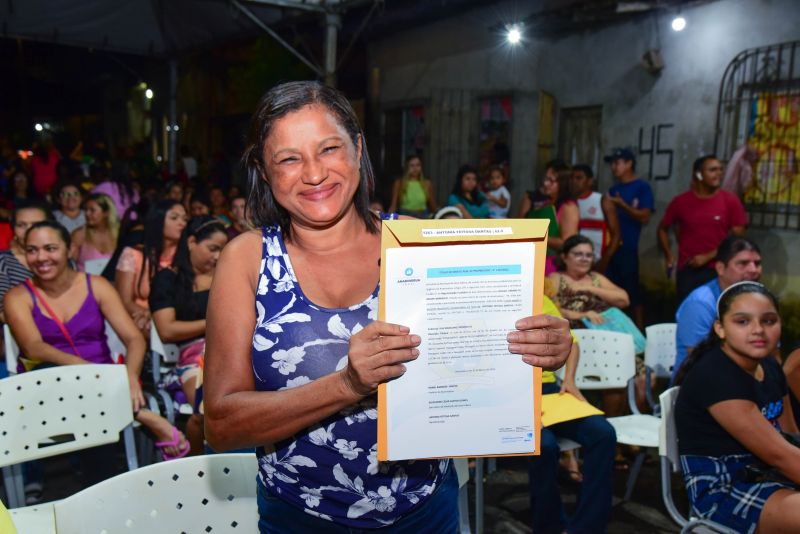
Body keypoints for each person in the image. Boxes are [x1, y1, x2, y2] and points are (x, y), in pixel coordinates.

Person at [203, 81, 572, 533]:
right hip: (299, 515)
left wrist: (540, 345)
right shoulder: (248, 258)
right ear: (264, 169)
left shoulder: (418, 242)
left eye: (329, 149)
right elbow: (220, 424)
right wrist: (348, 384)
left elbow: (482, 346)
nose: (314, 173)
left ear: (357, 148)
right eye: (289, 158)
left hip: (423, 511)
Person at [4, 221, 189, 460]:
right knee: (51, 371)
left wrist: (129, 378)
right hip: (50, 386)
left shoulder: (96, 285)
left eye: (50, 248)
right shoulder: (18, 296)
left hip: (106, 385)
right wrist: (94, 374)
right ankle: (143, 416)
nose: (41, 257)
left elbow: (134, 338)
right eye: (32, 250)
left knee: (99, 450)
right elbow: (34, 347)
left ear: (69, 249)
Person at [674, 282, 800, 533]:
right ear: (720, 328)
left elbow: (791, 435)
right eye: (742, 322)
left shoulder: (769, 365)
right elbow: (781, 456)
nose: (758, 330)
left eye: (769, 321)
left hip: (768, 472)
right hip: (724, 490)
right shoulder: (716, 376)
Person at [528, 288, 616, 534]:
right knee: (542, 446)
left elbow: (572, 343)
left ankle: (588, 527)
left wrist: (570, 380)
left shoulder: (539, 299)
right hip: (514, 395)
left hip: (550, 389)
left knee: (603, 433)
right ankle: (549, 526)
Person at [549, 235, 644, 417]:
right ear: (564, 257)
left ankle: (617, 424)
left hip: (607, 342)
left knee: (640, 376)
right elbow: (552, 309)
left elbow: (624, 299)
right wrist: (582, 314)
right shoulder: (555, 278)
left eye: (589, 255)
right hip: (577, 343)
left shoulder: (595, 278)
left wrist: (590, 289)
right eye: (578, 254)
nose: (584, 259)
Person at [150, 216, 228, 409]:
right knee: (207, 409)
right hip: (194, 356)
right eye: (213, 249)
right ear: (192, 242)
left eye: (222, 250)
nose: (218, 256)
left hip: (231, 345)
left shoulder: (225, 275)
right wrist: (215, 322)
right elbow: (167, 330)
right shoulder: (168, 279)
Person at [658, 155, 748, 303]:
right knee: (687, 313)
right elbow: (662, 228)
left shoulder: (730, 201)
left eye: (720, 169)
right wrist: (669, 256)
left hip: (718, 270)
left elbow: (738, 239)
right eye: (713, 170)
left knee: (715, 315)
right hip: (687, 269)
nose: (718, 174)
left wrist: (708, 256)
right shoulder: (680, 202)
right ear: (699, 174)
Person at [672, 236, 762, 384]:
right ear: (720, 268)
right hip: (700, 384)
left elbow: (772, 354)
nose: (753, 270)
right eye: (743, 263)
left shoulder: (759, 301)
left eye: (757, 263)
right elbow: (700, 361)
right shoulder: (700, 303)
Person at [115, 200, 187, 334]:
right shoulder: (133, 254)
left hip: (174, 321)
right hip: (139, 318)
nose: (181, 223)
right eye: (174, 218)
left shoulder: (186, 256)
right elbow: (124, 300)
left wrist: (160, 318)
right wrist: (151, 315)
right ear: (157, 221)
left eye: (184, 219)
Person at [603, 148, 654, 329]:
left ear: (629, 163)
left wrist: (622, 205)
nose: (613, 167)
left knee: (633, 292)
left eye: (617, 163)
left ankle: (640, 333)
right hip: (610, 247)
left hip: (628, 247)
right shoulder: (613, 189)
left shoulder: (641, 187)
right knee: (610, 291)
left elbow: (645, 216)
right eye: (612, 164)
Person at [518, 160, 579, 275]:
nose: (545, 183)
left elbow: (567, 243)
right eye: (545, 179)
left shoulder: (568, 207)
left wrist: (535, 235)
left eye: (551, 180)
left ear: (563, 183)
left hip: (551, 267)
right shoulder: (545, 202)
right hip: (531, 262)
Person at [0, 202, 52, 322]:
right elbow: (2, 313)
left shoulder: (62, 260)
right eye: (21, 225)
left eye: (37, 225)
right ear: (13, 228)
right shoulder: (3, 262)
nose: (29, 230)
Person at [571, 164, 620, 274]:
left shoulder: (602, 201)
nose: (574, 181)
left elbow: (616, 236)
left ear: (590, 181)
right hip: (574, 263)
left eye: (579, 178)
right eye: (572, 178)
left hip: (598, 263)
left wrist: (604, 261)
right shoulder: (567, 203)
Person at [70, 193, 119, 274]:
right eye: (85, 210)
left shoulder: (118, 234)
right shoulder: (80, 234)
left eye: (92, 210)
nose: (87, 214)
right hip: (86, 283)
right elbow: (70, 265)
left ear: (106, 213)